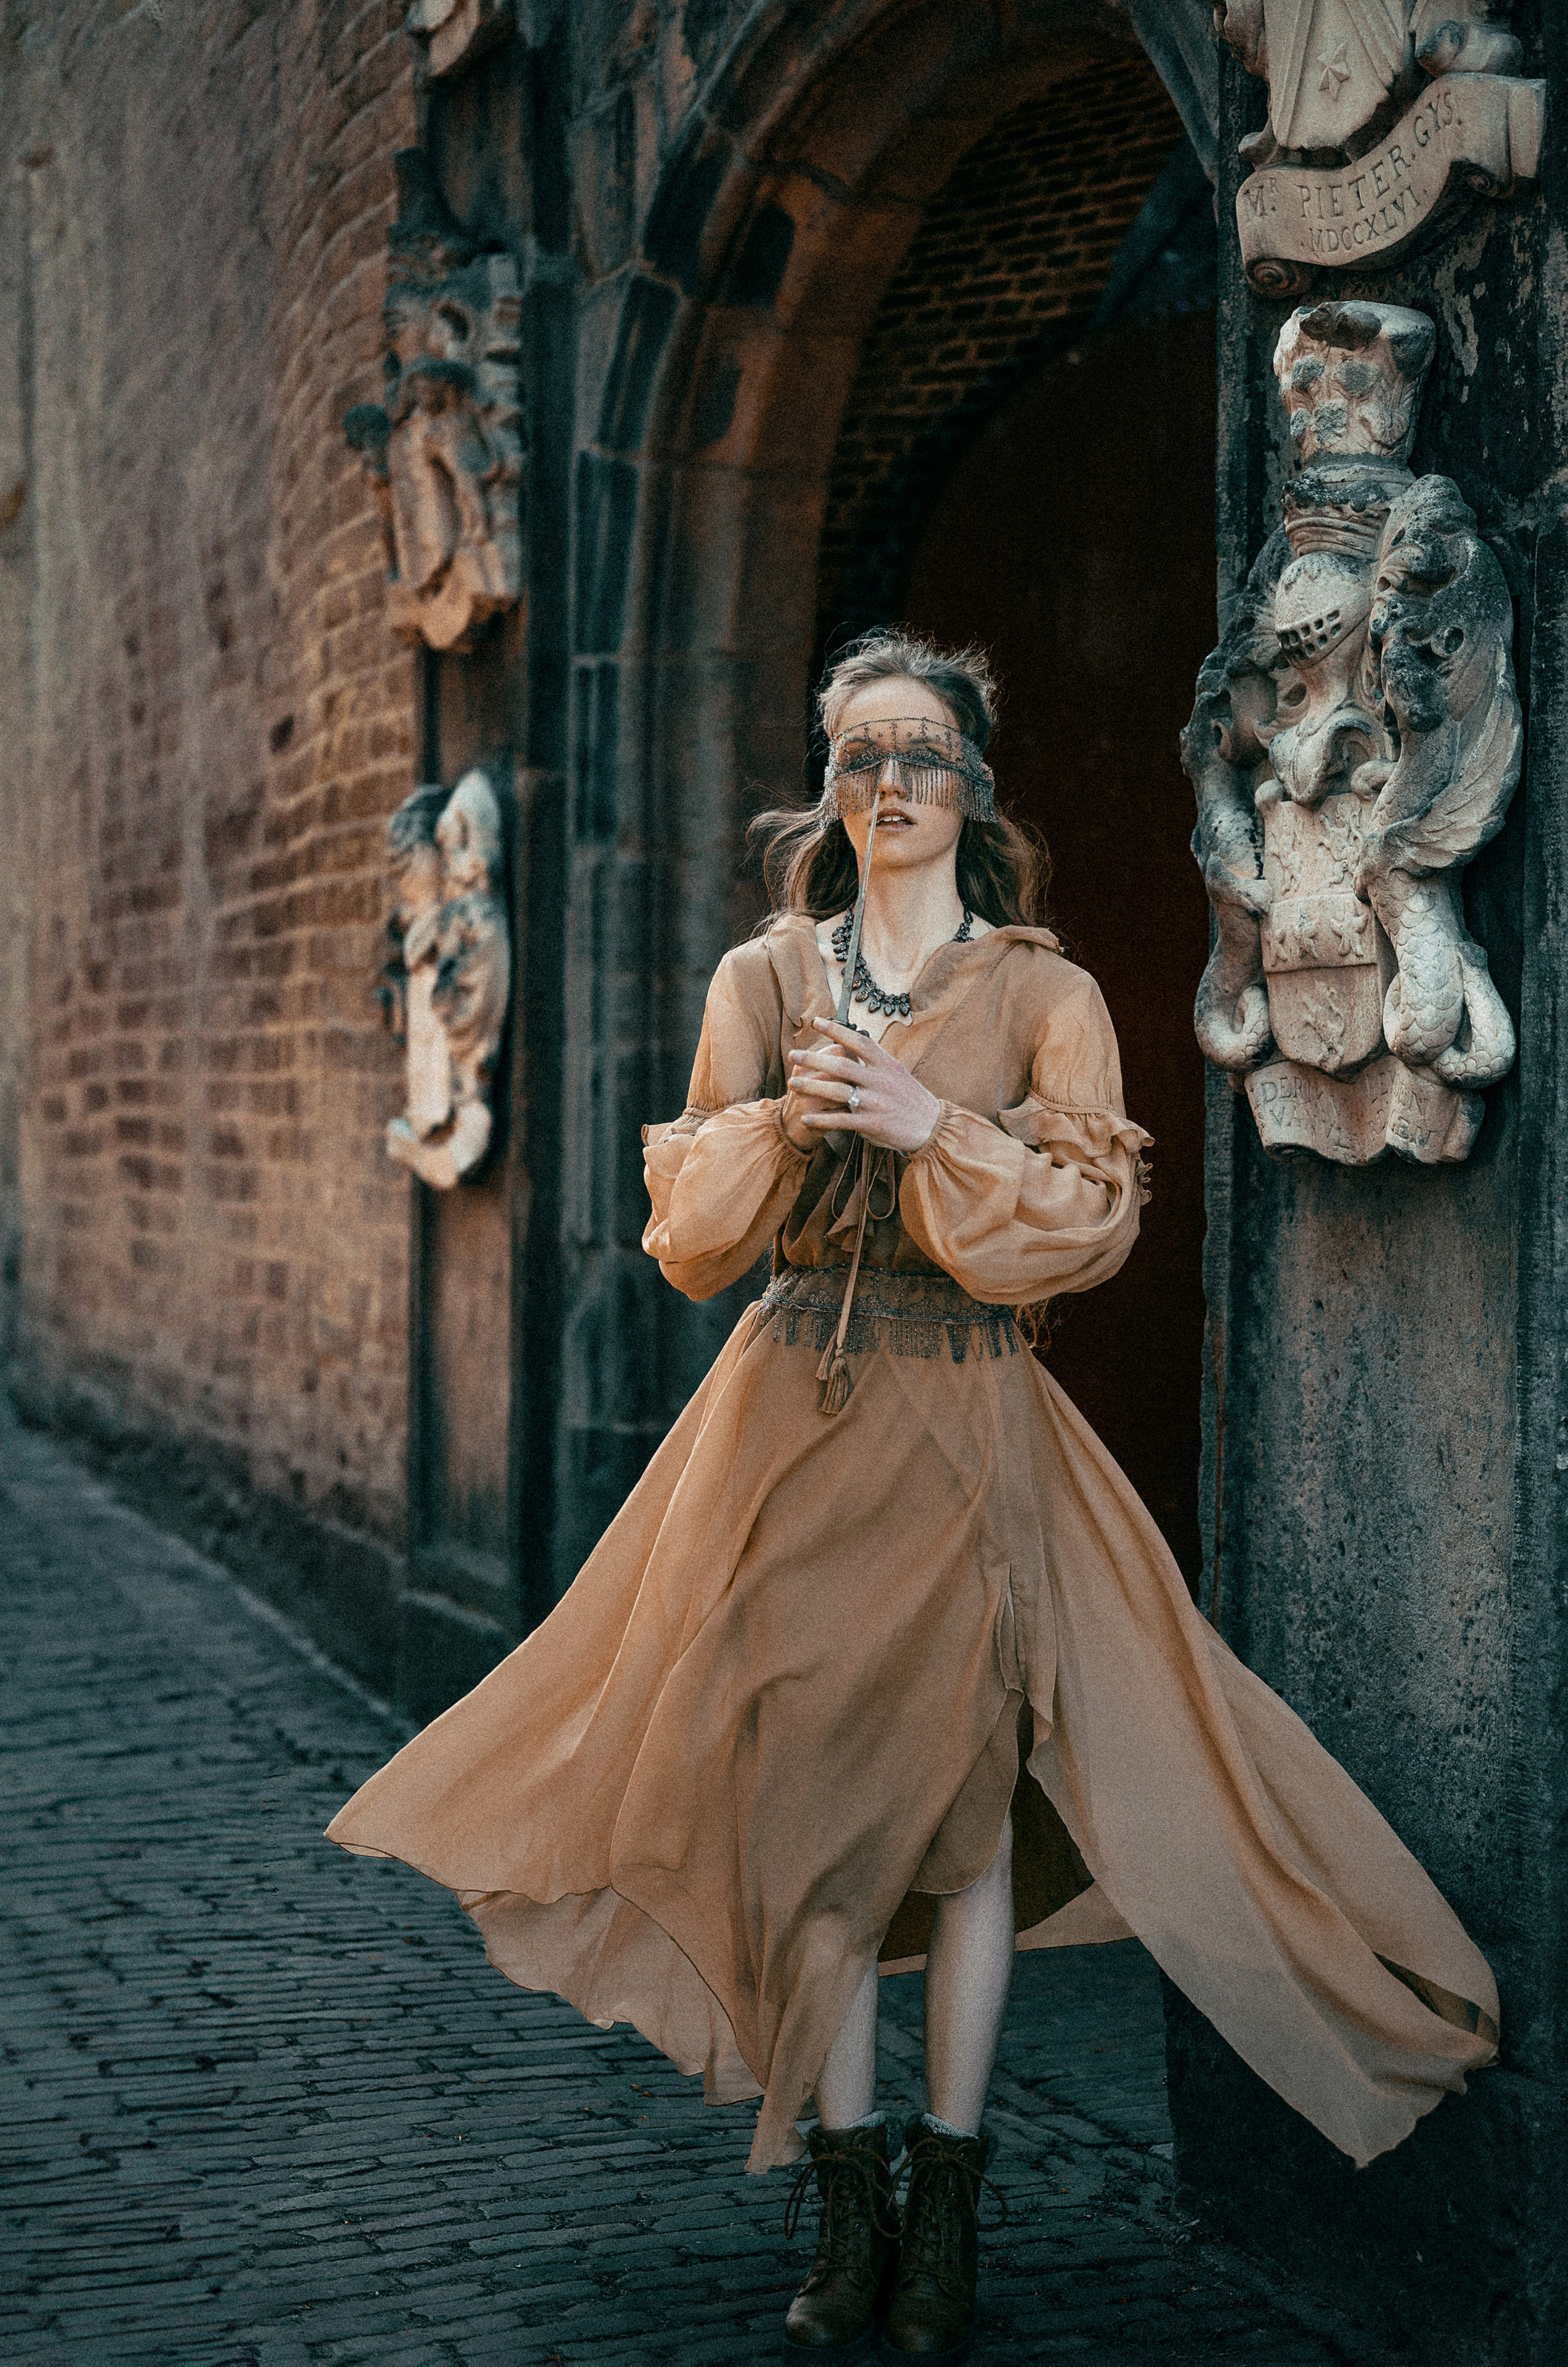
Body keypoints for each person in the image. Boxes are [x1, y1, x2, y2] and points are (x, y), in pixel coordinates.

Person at [328, 629, 1499, 2362]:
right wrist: (802, 1131)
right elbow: (689, 1235)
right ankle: (848, 2184)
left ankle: (949, 2195)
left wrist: (924, 1124)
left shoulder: (1043, 996)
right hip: (787, 1428)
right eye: (862, 752)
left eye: (924, 752)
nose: (892, 783)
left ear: (972, 781)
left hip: (966, 1422)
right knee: (802, 1805)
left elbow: (1085, 1228)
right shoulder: (760, 978)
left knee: (955, 1814)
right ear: (830, 782)